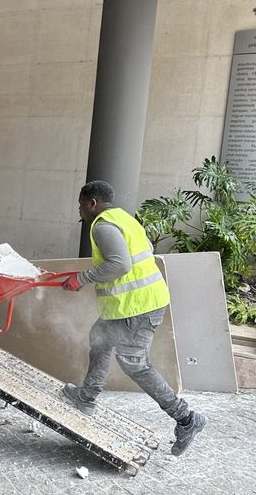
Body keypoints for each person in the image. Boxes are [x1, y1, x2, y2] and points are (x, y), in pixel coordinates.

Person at [61, 180, 205, 456]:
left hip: (137, 307)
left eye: (81, 206)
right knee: (99, 340)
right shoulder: (124, 218)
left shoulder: (102, 225)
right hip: (128, 306)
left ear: (92, 203)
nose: (80, 213)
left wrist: (81, 278)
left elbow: (120, 264)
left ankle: (186, 419)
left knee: (135, 365)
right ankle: (86, 398)